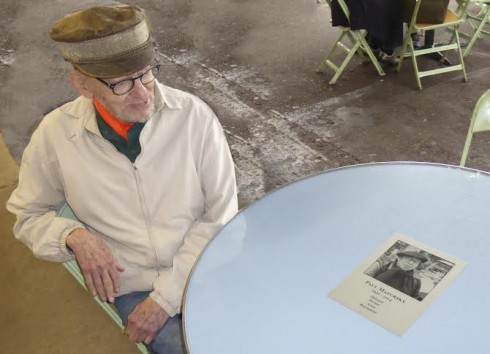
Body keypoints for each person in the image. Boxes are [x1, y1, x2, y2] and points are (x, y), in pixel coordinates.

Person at [6, 4, 238, 354]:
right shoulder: (55, 135)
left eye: (146, 74)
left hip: (206, 266)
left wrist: (166, 298)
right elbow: (27, 216)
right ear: (81, 84)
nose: (143, 93)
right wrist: (72, 235)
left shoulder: (194, 117)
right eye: (121, 84)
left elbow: (220, 216)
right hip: (134, 285)